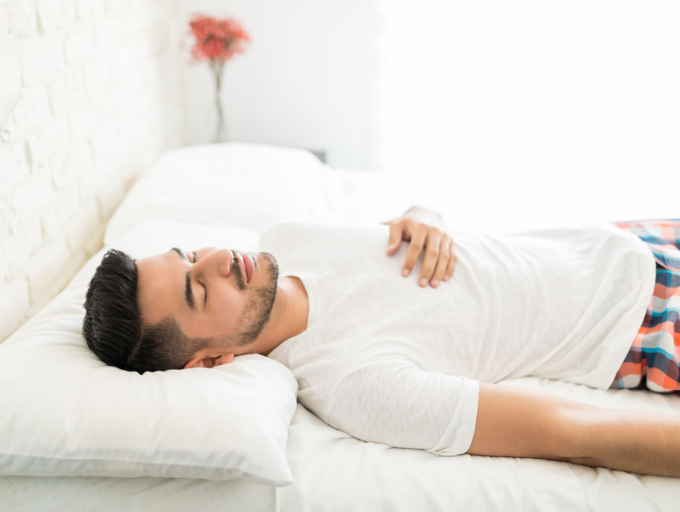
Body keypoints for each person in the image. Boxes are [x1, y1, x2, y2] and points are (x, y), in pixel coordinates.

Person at [82, 206, 680, 478]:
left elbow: (397, 236)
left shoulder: (286, 237)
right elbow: (573, 433)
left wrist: (425, 216)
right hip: (645, 322)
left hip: (626, 237)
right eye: (197, 290)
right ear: (212, 359)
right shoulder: (353, 385)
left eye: (189, 254)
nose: (218, 259)